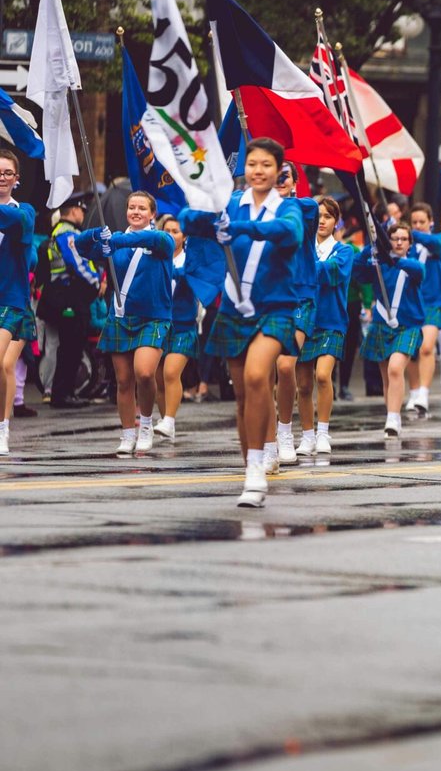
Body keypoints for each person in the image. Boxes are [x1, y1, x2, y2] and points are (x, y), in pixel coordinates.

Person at [180, 138, 305, 507]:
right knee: (240, 395)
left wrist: (243, 228)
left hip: (274, 308)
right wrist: (205, 215)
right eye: (252, 164)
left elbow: (291, 234)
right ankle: (250, 463)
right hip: (234, 308)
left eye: (266, 165)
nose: (258, 171)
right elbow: (191, 221)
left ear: (279, 169)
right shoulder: (230, 203)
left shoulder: (289, 208)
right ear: (244, 168)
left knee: (256, 377)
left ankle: (258, 470)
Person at [79, 192, 174, 456]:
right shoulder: (115, 242)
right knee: (123, 381)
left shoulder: (161, 240)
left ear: (152, 213)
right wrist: (97, 234)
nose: (135, 211)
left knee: (144, 373)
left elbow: (152, 238)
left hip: (153, 318)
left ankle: (145, 424)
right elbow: (81, 245)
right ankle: (126, 433)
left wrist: (117, 240)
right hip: (121, 317)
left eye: (142, 208)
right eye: (131, 207)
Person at [295, 197, 355, 456]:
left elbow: (332, 272)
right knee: (304, 384)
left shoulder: (344, 251)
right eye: (318, 215)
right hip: (303, 322)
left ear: (336, 222)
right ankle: (307, 435)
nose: (322, 220)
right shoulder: (303, 249)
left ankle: (322, 432)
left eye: (328, 216)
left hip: (332, 321)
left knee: (322, 375)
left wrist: (303, 268)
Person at [270, 165, 320, 468]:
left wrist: (280, 195)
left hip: (300, 295)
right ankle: (266, 438)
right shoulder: (256, 209)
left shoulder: (306, 210)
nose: (276, 181)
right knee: (260, 373)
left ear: (295, 182)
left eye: (283, 176)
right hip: (268, 295)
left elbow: (308, 206)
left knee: (285, 365)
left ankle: (286, 431)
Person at [356, 220, 425, 439]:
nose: (399, 242)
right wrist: (372, 246)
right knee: (387, 376)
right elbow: (357, 271)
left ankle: (393, 418)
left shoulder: (411, 264)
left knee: (396, 368)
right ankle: (391, 414)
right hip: (381, 324)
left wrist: (395, 259)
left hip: (407, 326)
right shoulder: (379, 264)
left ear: (410, 244)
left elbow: (418, 271)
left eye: (404, 239)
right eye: (394, 239)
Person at [154, 214, 220, 442]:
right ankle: (165, 422)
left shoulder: (190, 259)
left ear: (184, 236)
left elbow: (195, 279)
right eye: (168, 231)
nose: (172, 235)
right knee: (158, 379)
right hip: (158, 324)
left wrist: (178, 273)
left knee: (171, 373)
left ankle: (170, 419)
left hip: (183, 325)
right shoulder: (156, 256)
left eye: (176, 231)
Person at [38, 194, 98, 409]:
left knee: (68, 346)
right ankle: (63, 394)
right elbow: (77, 263)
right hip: (70, 297)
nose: (83, 214)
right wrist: (96, 282)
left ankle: (65, 393)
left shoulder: (58, 232)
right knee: (71, 346)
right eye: (82, 210)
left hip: (64, 296)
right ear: (73, 211)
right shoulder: (68, 233)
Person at [0, 149, 37, 456]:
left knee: (4, 362)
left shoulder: (24, 210)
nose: (2, 177)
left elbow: (17, 224)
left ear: (17, 179)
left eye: (8, 173)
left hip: (12, 300)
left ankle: (3, 427)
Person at [404, 202, 441, 417]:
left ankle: (424, 392)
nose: (418, 225)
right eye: (414, 222)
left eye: (422, 222)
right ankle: (413, 392)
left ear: (431, 222)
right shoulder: (407, 247)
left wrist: (410, 232)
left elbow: (434, 244)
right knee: (411, 351)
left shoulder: (437, 241)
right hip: (412, 302)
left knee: (426, 347)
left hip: (434, 302)